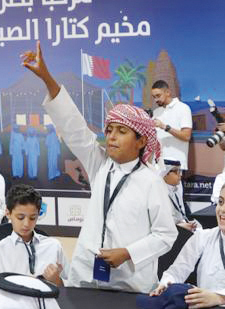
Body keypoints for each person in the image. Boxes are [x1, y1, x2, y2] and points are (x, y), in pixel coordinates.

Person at [22, 42, 177, 293]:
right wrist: (47, 78)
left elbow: (165, 235)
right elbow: (73, 127)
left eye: (121, 131)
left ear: (140, 141)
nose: (111, 137)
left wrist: (127, 253)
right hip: (86, 274)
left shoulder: (151, 181)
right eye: (109, 130)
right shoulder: (101, 164)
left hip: (130, 283)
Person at [152, 176, 225, 308]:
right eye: (220, 202)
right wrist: (167, 283)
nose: (222, 209)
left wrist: (218, 297)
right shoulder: (202, 237)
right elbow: (177, 271)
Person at [0, 184, 66, 284]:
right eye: (20, 217)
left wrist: (57, 281)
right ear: (8, 213)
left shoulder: (54, 246)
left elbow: (71, 288)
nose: (26, 224)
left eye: (33, 218)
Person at [151, 79, 193, 169]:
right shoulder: (156, 112)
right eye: (154, 97)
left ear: (168, 92)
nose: (156, 100)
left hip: (175, 164)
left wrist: (164, 127)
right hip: (158, 164)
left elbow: (186, 136)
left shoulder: (183, 108)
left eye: (158, 96)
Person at [159, 147, 196, 230]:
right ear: (165, 174)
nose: (180, 175)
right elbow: (161, 223)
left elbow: (180, 213)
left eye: (180, 171)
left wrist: (186, 223)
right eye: (176, 171)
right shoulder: (158, 193)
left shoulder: (176, 188)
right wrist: (179, 226)